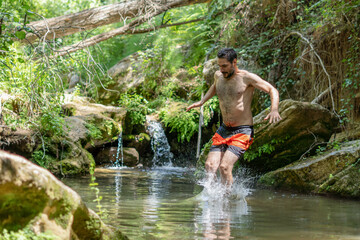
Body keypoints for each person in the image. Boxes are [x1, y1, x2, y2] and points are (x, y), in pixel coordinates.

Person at [186, 48, 281, 187]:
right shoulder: (218, 76)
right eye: (219, 66)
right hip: (224, 129)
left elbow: (272, 89)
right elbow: (215, 87)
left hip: (242, 131)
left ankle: (227, 200)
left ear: (234, 62)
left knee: (224, 167)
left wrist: (274, 110)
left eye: (224, 66)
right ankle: (213, 198)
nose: (221, 69)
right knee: (209, 165)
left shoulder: (246, 78)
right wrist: (202, 101)